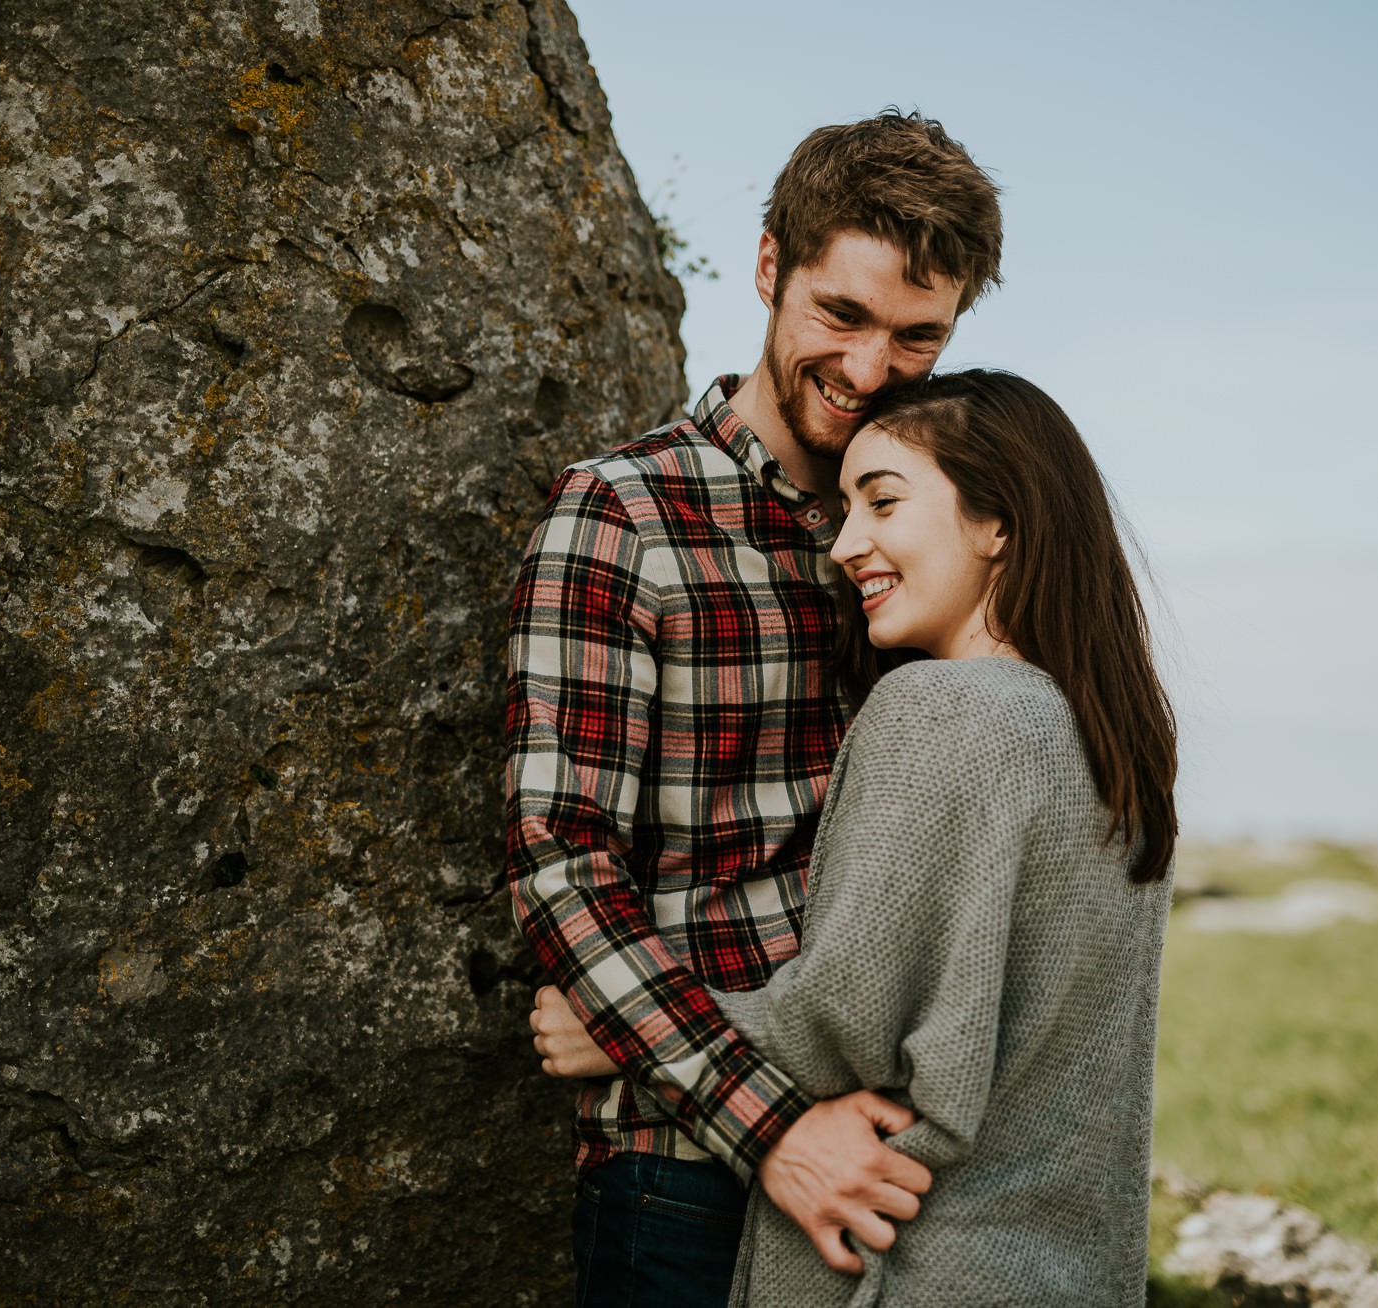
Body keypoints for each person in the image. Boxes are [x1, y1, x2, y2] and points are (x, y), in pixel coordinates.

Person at [536, 369, 1180, 1305]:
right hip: (1061, 1269)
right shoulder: (1110, 741)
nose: (845, 545)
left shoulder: (935, 708)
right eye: (844, 508)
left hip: (915, 1263)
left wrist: (621, 1028)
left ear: (997, 522)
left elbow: (846, 1029)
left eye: (883, 501)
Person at [503, 111, 1003, 1306]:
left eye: (916, 337)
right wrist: (773, 1123)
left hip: (902, 1153)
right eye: (841, 315)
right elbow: (560, 865)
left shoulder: (939, 530)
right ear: (771, 265)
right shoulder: (623, 514)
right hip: (687, 1169)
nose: (871, 370)